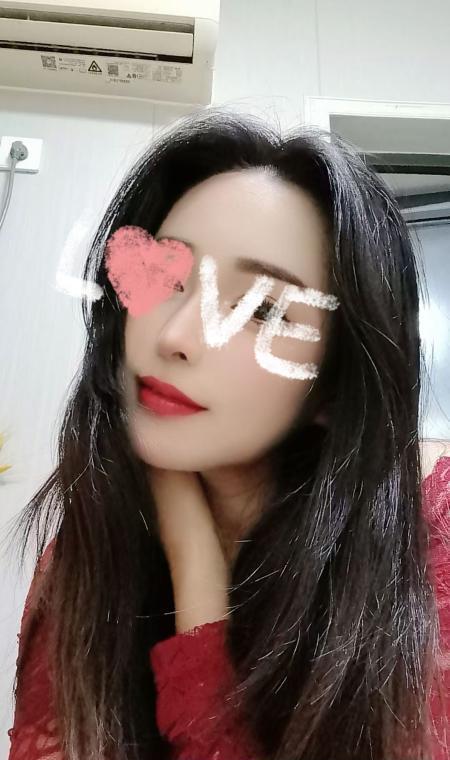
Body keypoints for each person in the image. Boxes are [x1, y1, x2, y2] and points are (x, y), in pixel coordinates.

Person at [5, 107, 449, 760]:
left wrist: (198, 589)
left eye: (263, 309)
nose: (175, 336)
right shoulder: (89, 550)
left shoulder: (433, 540)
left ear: (335, 385)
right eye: (167, 279)